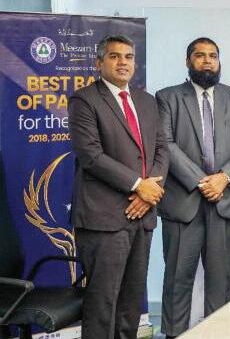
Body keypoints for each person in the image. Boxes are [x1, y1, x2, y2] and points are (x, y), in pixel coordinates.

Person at [155, 37, 230, 337]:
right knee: (177, 280)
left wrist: (223, 178)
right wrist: (203, 181)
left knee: (220, 281)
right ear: (188, 61)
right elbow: (165, 143)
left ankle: (216, 333)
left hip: (224, 203)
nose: (207, 61)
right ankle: (174, 334)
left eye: (213, 55)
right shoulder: (168, 97)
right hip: (183, 205)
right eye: (200, 55)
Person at [69, 35, 168, 338]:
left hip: (143, 215)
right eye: (114, 56)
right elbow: (91, 155)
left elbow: (161, 149)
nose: (123, 62)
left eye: (128, 57)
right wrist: (138, 185)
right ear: (99, 63)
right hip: (104, 218)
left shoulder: (146, 101)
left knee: (130, 304)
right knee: (103, 304)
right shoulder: (84, 100)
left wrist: (149, 193)